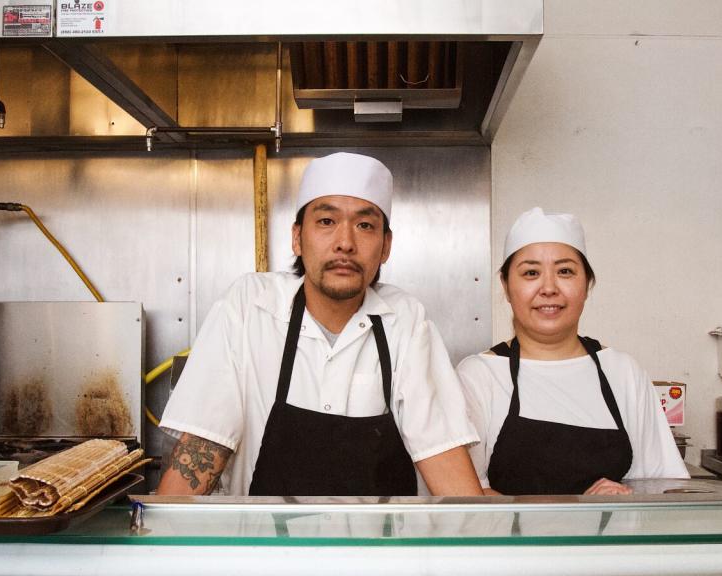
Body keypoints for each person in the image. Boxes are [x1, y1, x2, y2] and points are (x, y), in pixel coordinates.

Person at [156, 152, 483, 497]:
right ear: (297, 238)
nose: (345, 242)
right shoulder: (249, 307)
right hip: (263, 547)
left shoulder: (405, 321)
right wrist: (159, 546)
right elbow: (202, 450)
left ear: (386, 246)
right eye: (327, 221)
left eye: (365, 225)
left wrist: (484, 543)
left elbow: (444, 456)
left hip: (381, 549)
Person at [457, 207, 688, 496]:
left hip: (612, 541)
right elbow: (464, 495)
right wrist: (577, 510)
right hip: (511, 541)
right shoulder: (481, 375)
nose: (549, 288)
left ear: (587, 284)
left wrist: (626, 498)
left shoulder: (621, 371)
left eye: (565, 271)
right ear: (506, 286)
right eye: (531, 273)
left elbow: (662, 486)